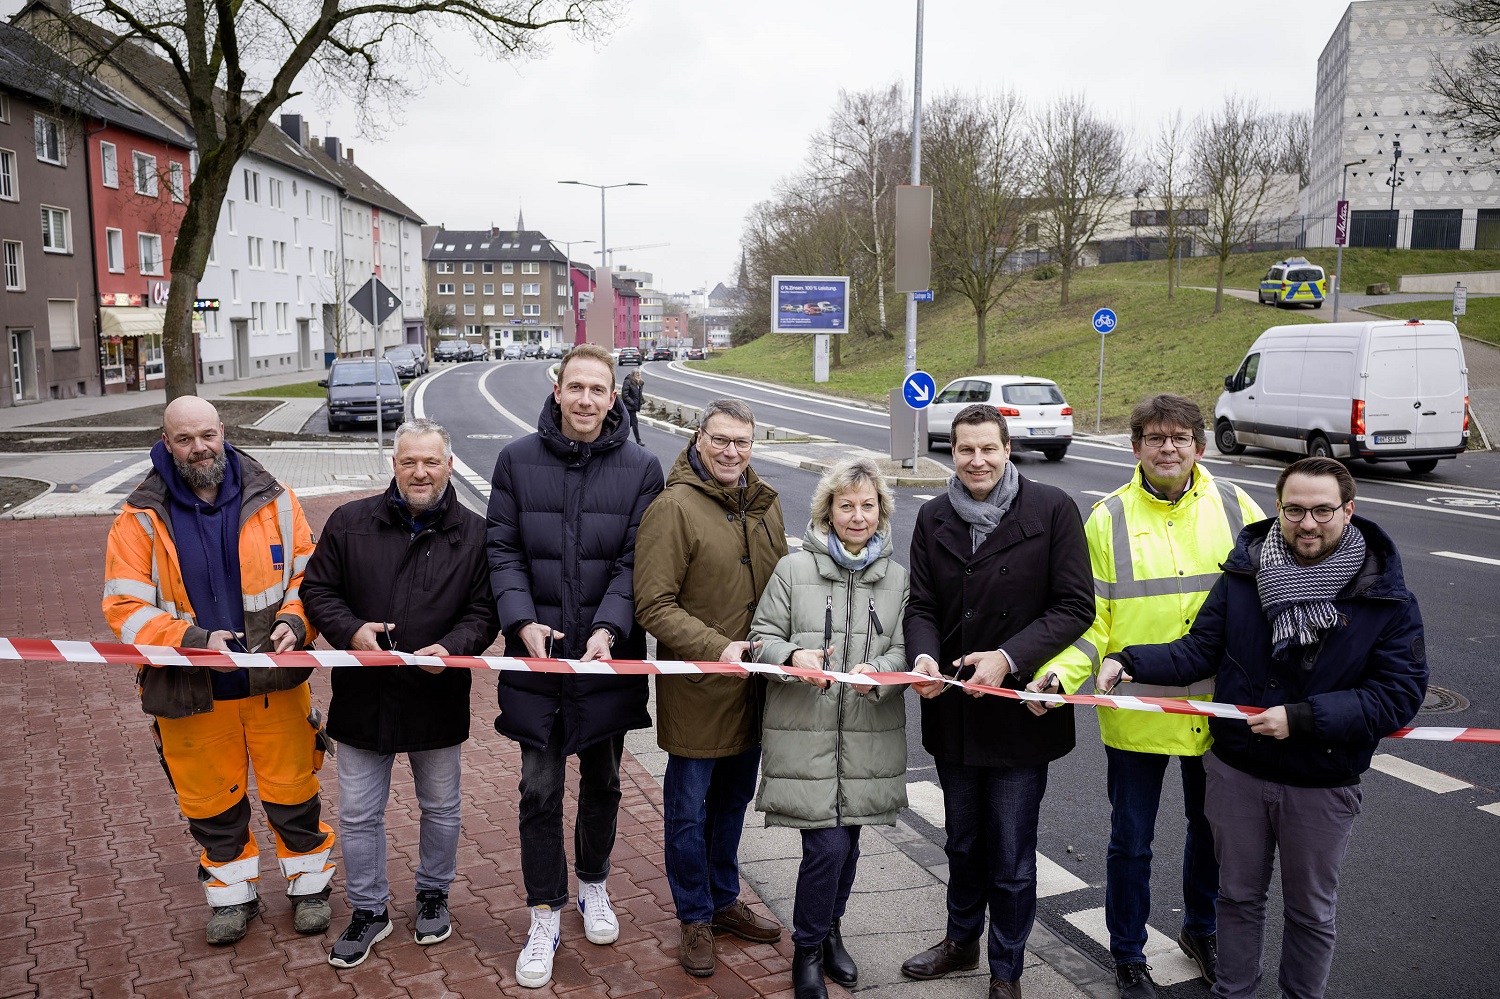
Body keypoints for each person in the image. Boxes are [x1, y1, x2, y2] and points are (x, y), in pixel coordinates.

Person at [1098, 457, 1426, 999]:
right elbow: (1200, 649)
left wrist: (1302, 719)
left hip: (1321, 778)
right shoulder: (1245, 573)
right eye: (1295, 509)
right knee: (1237, 900)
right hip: (1238, 771)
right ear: (1279, 509)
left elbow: (1397, 696)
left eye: (1323, 510)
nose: (1308, 523)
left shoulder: (1384, 595)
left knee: (1310, 913)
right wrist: (1128, 660)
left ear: (1349, 510)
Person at [1043, 395, 1263, 999]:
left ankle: (1202, 931)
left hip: (1217, 707)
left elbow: (1263, 600)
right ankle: (1128, 955)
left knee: (1211, 832)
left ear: (1199, 444)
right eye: (1156, 437)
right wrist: (1063, 676)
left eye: (1181, 437)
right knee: (1131, 841)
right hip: (1137, 707)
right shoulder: (1107, 518)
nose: (1169, 447)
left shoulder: (1235, 504)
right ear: (1135, 446)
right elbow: (1089, 619)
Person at [101, 397, 333, 945]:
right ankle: (232, 899)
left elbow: (312, 576)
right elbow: (124, 608)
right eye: (184, 439)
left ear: (222, 432)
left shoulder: (275, 499)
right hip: (190, 689)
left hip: (274, 684)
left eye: (207, 435)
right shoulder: (138, 518)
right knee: (211, 803)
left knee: (294, 794)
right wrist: (193, 641)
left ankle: (309, 890)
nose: (199, 447)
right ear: (165, 441)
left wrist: (298, 625)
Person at [486, 343, 665, 989]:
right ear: (557, 389)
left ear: (613, 397)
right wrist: (519, 621)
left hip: (604, 657)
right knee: (538, 789)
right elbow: (501, 548)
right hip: (535, 659)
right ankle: (543, 912)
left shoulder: (643, 468)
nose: (587, 398)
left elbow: (634, 562)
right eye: (576, 386)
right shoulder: (514, 461)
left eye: (599, 389)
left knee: (605, 782)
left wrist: (609, 628)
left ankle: (593, 885)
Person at [901, 403, 1094, 999]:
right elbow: (922, 607)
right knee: (961, 839)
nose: (977, 460)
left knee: (1010, 851)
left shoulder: (1053, 509)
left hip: (1019, 710)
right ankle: (961, 942)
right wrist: (924, 658)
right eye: (965, 450)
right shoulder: (933, 516)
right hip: (955, 708)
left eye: (988, 448)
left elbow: (1073, 607)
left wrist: (1007, 659)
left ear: (1007, 449)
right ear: (950, 454)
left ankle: (1006, 969)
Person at [301, 418, 500, 969]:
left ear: (449, 466)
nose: (420, 472)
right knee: (360, 814)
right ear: (393, 464)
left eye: (431, 462)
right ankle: (369, 909)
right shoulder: (350, 522)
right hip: (364, 697)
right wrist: (350, 631)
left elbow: (485, 611)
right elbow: (317, 588)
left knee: (441, 808)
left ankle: (433, 895)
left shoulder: (476, 534)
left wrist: (455, 645)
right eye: (409, 461)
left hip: (436, 694)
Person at [634, 398, 789, 978]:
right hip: (700, 689)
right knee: (689, 811)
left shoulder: (764, 505)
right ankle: (694, 914)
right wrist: (715, 647)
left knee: (732, 804)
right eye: (720, 440)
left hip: (755, 689)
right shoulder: (673, 508)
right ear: (699, 439)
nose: (731, 452)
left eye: (742, 443)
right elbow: (653, 603)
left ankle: (724, 900)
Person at [749, 457, 911, 999]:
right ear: (828, 510)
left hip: (868, 732)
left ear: (881, 512)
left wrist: (882, 673)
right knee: (825, 849)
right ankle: (808, 949)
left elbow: (905, 650)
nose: (858, 516)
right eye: (847, 505)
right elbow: (759, 637)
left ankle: (832, 931)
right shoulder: (793, 570)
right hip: (807, 730)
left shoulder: (897, 577)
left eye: (868, 506)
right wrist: (793, 654)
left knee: (851, 841)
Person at [622, 368, 645, 446]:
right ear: (633, 375)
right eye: (637, 374)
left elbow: (639, 395)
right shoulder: (628, 382)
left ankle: (620, 436)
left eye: (639, 374)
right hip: (629, 407)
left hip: (634, 407)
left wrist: (640, 402)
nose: (639, 376)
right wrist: (632, 403)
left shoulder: (639, 383)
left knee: (630, 424)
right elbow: (625, 395)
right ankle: (638, 440)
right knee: (634, 422)